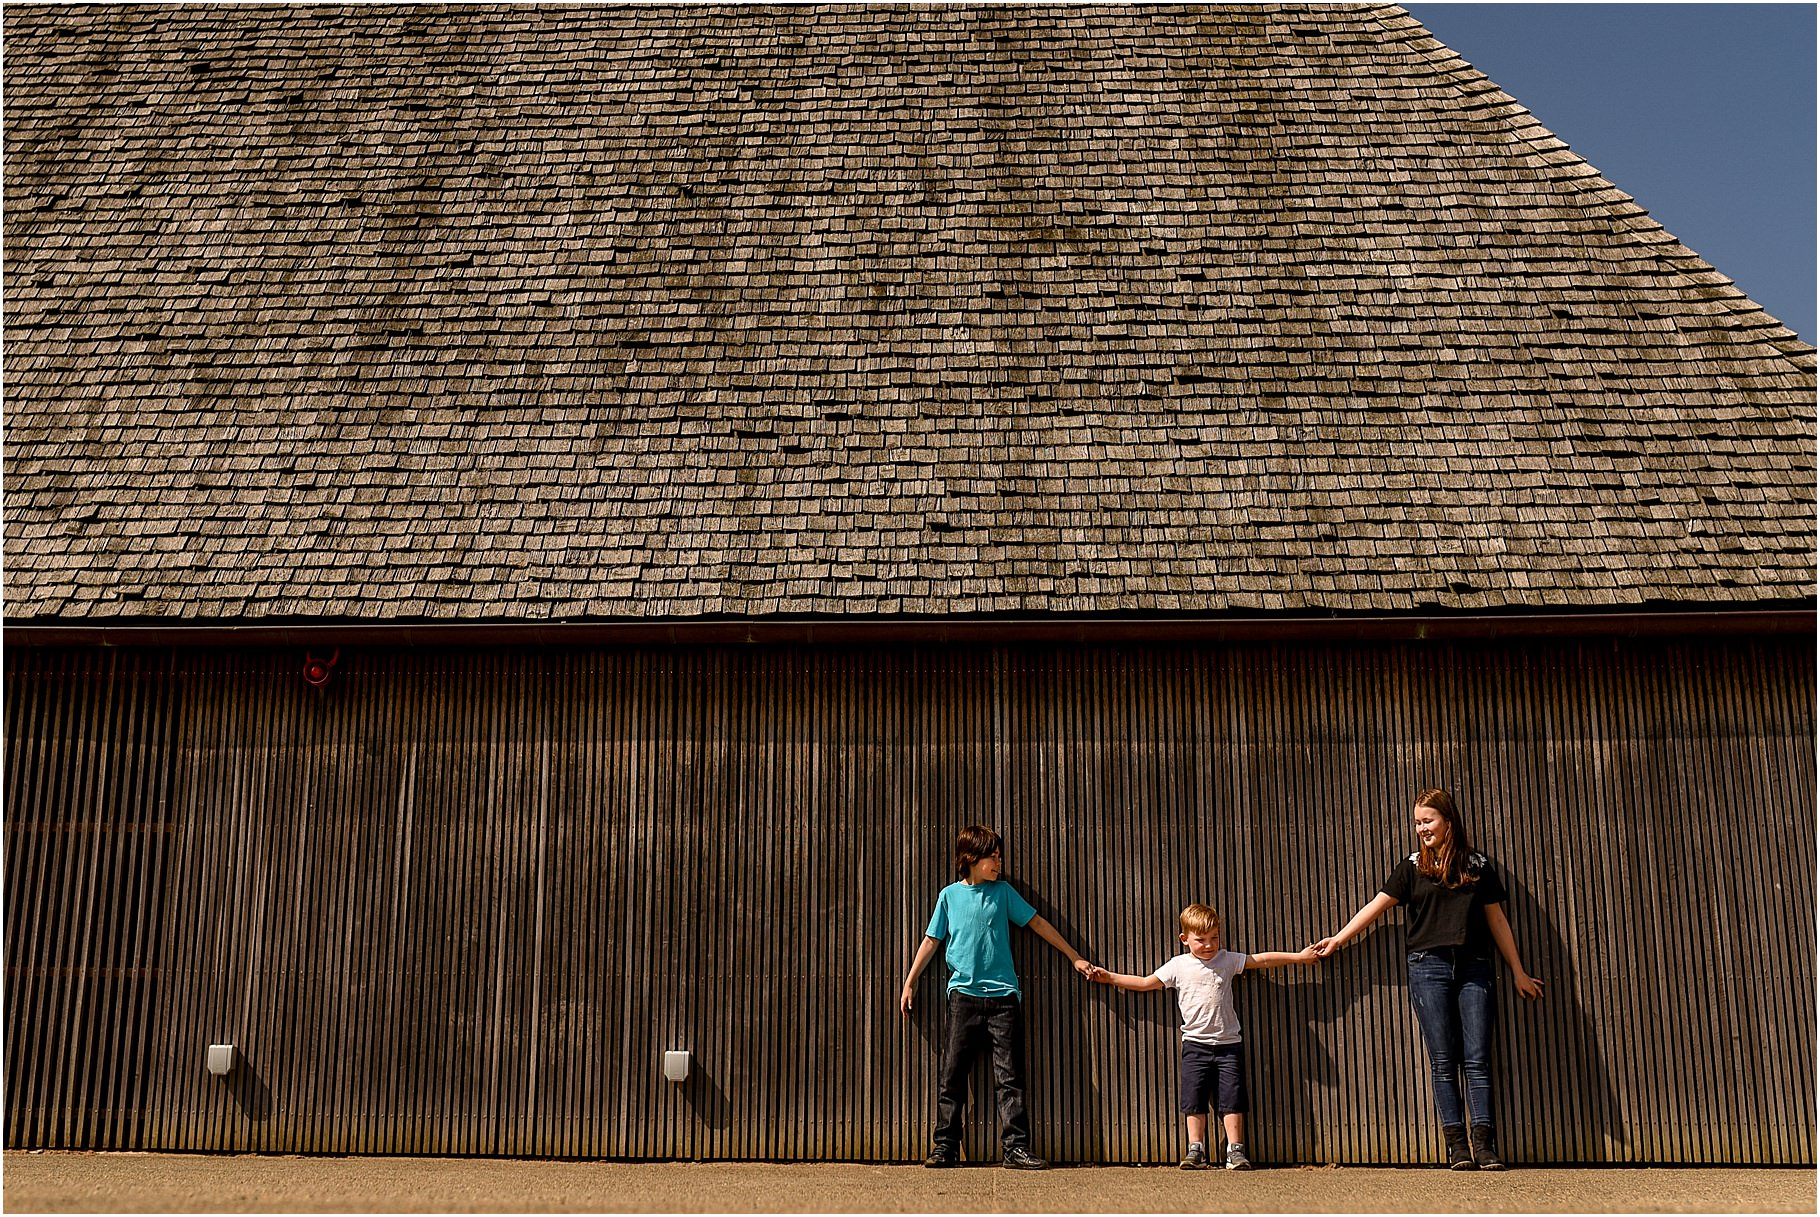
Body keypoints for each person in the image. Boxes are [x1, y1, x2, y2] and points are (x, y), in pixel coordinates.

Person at [1311, 788, 1544, 1171]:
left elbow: (1497, 920)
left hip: (1474, 968)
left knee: (1478, 1059)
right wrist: (1338, 938)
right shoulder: (1412, 867)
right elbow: (1376, 906)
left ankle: (1485, 1146)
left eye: (1428, 820)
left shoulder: (1477, 866)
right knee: (1443, 1060)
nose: (1421, 828)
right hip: (1427, 968)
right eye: (1417, 822)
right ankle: (1457, 1147)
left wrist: (1517, 971)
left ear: (1448, 821)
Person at [900, 824, 1093, 1170]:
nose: (999, 862)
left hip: (1004, 998)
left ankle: (1016, 1149)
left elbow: (1037, 924)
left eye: (999, 856)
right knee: (952, 1075)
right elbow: (931, 941)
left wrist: (1073, 955)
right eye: (993, 856)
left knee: (1010, 1078)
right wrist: (910, 981)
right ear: (971, 858)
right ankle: (944, 1147)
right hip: (963, 997)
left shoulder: (1003, 893)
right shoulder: (949, 896)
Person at [1087, 904, 1315, 1170]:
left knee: (1232, 1098)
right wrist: (1110, 977)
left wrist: (1299, 957)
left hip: (1229, 1045)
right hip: (1195, 1045)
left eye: (1214, 938)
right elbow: (1145, 983)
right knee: (1193, 1098)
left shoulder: (1228, 960)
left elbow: (1261, 960)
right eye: (1201, 940)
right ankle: (1196, 1149)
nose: (1209, 945)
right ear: (1185, 939)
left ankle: (1235, 1150)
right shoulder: (1178, 966)